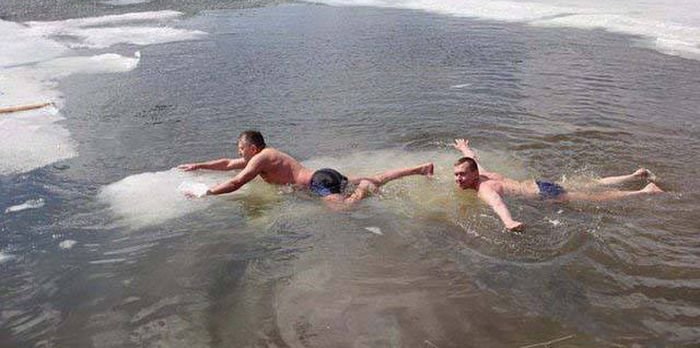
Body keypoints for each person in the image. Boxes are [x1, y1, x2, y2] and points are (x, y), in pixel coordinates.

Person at [178, 130, 434, 211]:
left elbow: (237, 182)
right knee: (377, 178)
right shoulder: (266, 156)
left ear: (252, 148)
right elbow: (227, 164)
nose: (239, 154)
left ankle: (363, 191)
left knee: (343, 208)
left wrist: (208, 192)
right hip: (323, 175)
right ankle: (420, 168)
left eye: (241, 149)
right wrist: (198, 165)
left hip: (318, 183)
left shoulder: (260, 159)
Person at [452, 138, 663, 232]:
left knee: (595, 197)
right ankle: (635, 175)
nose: (458, 179)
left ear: (473, 174)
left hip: (543, 194)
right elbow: (473, 158)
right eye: (456, 175)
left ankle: (644, 191)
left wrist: (508, 222)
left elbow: (497, 204)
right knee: (591, 183)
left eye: (462, 175)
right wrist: (464, 149)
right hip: (538, 184)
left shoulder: (484, 188)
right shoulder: (483, 173)